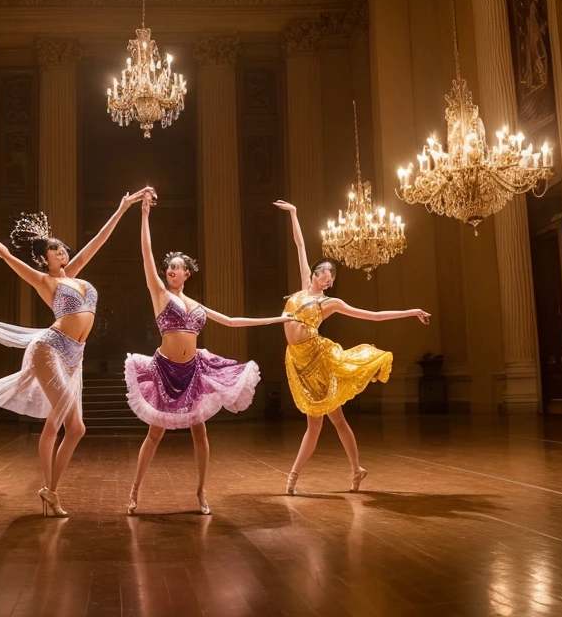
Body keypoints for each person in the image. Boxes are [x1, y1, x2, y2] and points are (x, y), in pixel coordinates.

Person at [0, 189, 149, 516]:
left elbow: (99, 240)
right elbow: (10, 259)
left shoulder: (76, 273)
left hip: (73, 356)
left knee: (76, 429)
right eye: (53, 248)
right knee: (58, 422)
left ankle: (50, 491)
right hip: (48, 349)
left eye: (60, 247)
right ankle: (49, 490)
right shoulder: (44, 281)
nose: (61, 250)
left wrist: (122, 207)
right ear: (44, 259)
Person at [125, 191, 290, 516]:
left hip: (194, 370)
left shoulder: (197, 306)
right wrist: (144, 216)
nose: (172, 271)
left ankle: (201, 492)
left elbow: (231, 320)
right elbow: (146, 254)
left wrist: (278, 318)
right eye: (169, 267)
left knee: (200, 433)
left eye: (178, 268)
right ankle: (134, 491)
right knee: (155, 433)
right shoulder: (159, 293)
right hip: (164, 369)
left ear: (188, 273)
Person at [274, 200, 430, 494]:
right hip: (297, 361)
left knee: (321, 422)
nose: (324, 274)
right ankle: (356, 470)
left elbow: (373, 315)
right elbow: (299, 245)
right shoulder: (301, 288)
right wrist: (295, 213)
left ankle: (295, 477)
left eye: (329, 273)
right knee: (332, 420)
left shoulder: (329, 303)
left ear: (329, 282)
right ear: (313, 274)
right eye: (321, 270)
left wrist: (411, 311)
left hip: (319, 360)